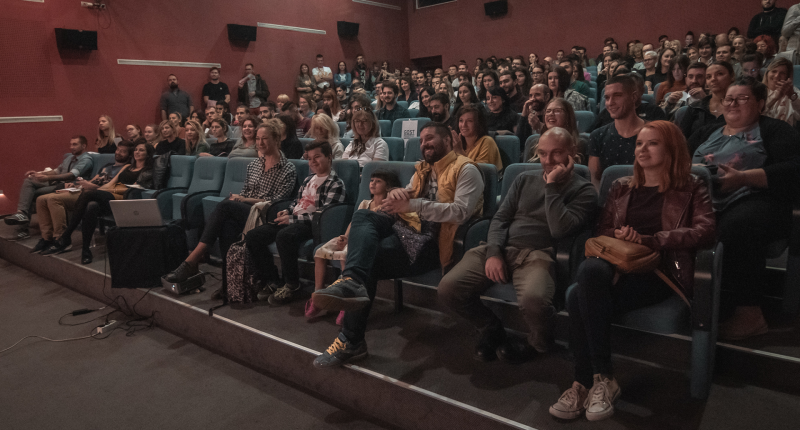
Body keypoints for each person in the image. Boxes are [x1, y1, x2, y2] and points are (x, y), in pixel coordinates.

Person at [550, 120, 715, 421]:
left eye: (652, 143)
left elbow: (706, 231)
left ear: (671, 149)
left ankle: (584, 381)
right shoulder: (621, 186)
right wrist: (619, 234)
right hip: (618, 264)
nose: (642, 149)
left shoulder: (692, 186)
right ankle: (600, 378)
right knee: (590, 271)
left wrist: (652, 240)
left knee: (576, 298)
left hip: (661, 270)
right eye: (639, 143)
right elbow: (603, 230)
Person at [310, 122, 485, 368]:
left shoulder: (467, 169)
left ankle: (351, 338)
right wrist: (396, 195)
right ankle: (351, 282)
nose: (424, 144)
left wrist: (413, 205)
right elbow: (408, 194)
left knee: (367, 261)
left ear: (447, 140)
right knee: (363, 215)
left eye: (430, 138)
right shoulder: (423, 170)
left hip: (434, 242)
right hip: (408, 228)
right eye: (421, 140)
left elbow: (461, 212)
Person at [440, 127, 596, 362]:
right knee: (448, 289)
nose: (548, 160)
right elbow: (500, 218)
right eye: (542, 153)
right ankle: (491, 328)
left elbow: (559, 229)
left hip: (538, 255)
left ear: (572, 152)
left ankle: (539, 343)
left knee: (535, 301)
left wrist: (551, 186)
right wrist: (494, 252)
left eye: (556, 153)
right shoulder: (524, 179)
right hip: (502, 247)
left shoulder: (585, 190)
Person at [687, 77, 800, 340]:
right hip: (702, 199)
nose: (733, 103)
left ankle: (750, 314)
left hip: (755, 198)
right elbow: (678, 157)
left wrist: (744, 178)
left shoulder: (775, 130)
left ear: (760, 104)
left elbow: (794, 169)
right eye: (729, 98)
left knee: (738, 225)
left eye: (743, 98)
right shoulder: (707, 131)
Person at [164, 120, 298, 289]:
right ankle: (231, 286)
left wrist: (243, 199)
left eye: (264, 139)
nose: (260, 143)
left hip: (266, 214)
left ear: (276, 140)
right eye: (257, 139)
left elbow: (277, 201)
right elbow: (246, 192)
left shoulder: (287, 168)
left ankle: (192, 260)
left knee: (225, 206)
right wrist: (241, 198)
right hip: (247, 211)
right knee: (227, 226)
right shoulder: (254, 165)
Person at [246, 140, 345, 304]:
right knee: (253, 236)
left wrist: (291, 219)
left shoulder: (335, 183)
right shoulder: (308, 179)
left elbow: (323, 216)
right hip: (294, 219)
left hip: (310, 225)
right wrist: (288, 211)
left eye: (317, 157)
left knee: (285, 236)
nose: (312, 162)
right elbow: (297, 202)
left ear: (329, 157)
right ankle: (273, 280)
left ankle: (292, 285)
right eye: (310, 158)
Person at [307, 170, 401, 322]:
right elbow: (354, 222)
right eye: (371, 180)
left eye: (378, 181)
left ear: (388, 186)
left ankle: (346, 302)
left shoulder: (388, 206)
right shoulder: (365, 203)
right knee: (319, 252)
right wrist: (345, 237)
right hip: (351, 236)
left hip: (368, 241)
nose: (373, 184)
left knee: (346, 256)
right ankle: (317, 296)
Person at [44, 141, 156, 263]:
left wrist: (103, 191)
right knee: (91, 206)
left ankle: (65, 236)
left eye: (141, 150)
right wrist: (99, 191)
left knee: (88, 194)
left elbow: (133, 188)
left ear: (148, 154)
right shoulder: (127, 167)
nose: (137, 152)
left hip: (123, 198)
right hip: (109, 195)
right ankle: (85, 250)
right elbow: (109, 184)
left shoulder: (147, 170)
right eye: (136, 149)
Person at [31, 141, 133, 254]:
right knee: (41, 199)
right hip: (84, 190)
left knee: (53, 199)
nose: (118, 153)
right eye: (118, 150)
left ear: (129, 155)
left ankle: (60, 238)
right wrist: (79, 185)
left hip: (95, 194)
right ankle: (46, 238)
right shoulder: (107, 166)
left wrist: (91, 186)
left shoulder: (126, 168)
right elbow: (93, 180)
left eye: (123, 152)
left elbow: (107, 186)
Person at [4, 136, 93, 239]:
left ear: (83, 146)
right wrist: (39, 174)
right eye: (71, 144)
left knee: (31, 193)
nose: (71, 147)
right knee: (29, 181)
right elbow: (56, 171)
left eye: (75, 144)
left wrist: (47, 178)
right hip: (56, 183)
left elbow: (71, 175)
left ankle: (23, 229)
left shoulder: (86, 159)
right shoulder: (69, 158)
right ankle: (22, 213)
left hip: (68, 187)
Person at [588, 74, 646, 188]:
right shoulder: (597, 136)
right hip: (608, 197)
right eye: (607, 98)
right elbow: (594, 180)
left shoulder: (655, 134)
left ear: (634, 97)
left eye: (617, 96)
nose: (610, 102)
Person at [680, 62, 734, 138]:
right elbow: (681, 138)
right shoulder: (695, 107)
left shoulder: (737, 106)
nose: (713, 79)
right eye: (708, 77)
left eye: (719, 74)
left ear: (732, 76)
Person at [526, 98, 588, 164]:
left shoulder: (581, 145)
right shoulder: (534, 144)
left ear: (567, 116)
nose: (551, 114)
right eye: (548, 111)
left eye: (557, 111)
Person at [450, 105, 503, 172]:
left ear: (478, 123)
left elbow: (477, 172)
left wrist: (460, 151)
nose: (463, 125)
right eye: (461, 121)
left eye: (469, 121)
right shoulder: (458, 143)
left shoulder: (487, 142)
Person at [761, 57, 800, 125]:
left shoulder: (794, 92)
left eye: (782, 73)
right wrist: (774, 99)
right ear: (767, 73)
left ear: (787, 77)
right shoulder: (758, 91)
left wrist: (792, 96)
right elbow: (754, 118)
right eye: (774, 71)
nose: (777, 76)